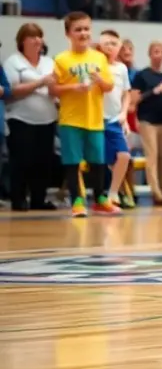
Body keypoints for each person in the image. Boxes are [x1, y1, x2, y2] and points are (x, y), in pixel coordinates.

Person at [49, 12, 114, 217]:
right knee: (72, 161)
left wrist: (100, 81)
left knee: (97, 161)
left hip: (94, 118)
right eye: (78, 29)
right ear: (69, 34)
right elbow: (53, 90)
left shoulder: (100, 57)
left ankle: (100, 199)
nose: (83, 33)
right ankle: (77, 200)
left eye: (86, 28)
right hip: (70, 119)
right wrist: (74, 87)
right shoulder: (61, 59)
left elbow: (109, 86)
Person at [4, 23, 58, 211]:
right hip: (21, 119)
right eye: (32, 37)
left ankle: (39, 199)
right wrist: (40, 83)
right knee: (21, 161)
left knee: (43, 161)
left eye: (39, 36)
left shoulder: (49, 62)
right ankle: (18, 199)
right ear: (22, 41)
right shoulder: (13, 62)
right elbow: (11, 91)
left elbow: (54, 88)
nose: (37, 41)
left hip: (47, 119)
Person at [131, 42, 162, 204]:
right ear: (150, 54)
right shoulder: (142, 75)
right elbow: (135, 99)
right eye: (156, 52)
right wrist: (154, 91)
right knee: (152, 156)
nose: (159, 55)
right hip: (148, 120)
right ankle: (156, 191)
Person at [98, 30, 132, 209]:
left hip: (114, 120)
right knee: (101, 160)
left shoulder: (122, 68)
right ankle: (99, 195)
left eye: (114, 43)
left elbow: (126, 94)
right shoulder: (95, 65)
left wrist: (124, 114)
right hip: (96, 120)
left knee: (124, 155)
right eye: (106, 43)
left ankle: (113, 192)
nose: (110, 47)